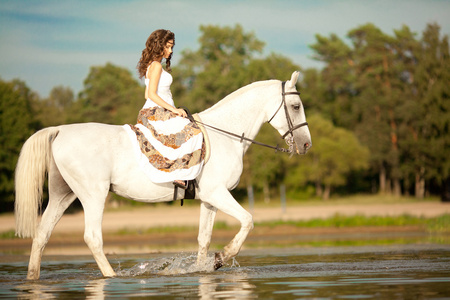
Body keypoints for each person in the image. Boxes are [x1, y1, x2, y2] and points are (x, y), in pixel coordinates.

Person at [124, 29, 204, 189]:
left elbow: (147, 94)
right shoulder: (156, 66)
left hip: (155, 110)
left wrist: (170, 108)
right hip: (156, 111)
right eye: (167, 46)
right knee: (194, 133)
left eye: (172, 47)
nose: (171, 50)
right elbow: (152, 95)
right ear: (159, 46)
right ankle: (177, 173)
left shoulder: (152, 66)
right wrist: (173, 110)